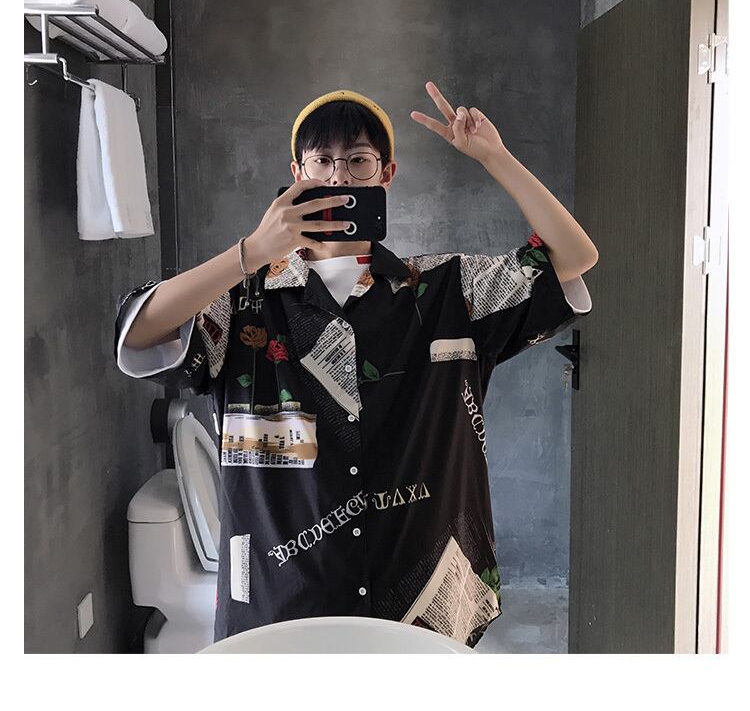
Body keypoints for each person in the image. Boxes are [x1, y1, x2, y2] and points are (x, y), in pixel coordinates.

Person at [114, 82, 598, 649]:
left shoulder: (447, 290)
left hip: (423, 605)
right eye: (321, 162)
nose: (338, 177)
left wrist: (495, 156)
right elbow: (139, 333)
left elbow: (574, 257)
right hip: (281, 601)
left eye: (358, 161)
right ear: (296, 173)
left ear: (386, 174)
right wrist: (252, 251)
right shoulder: (243, 298)